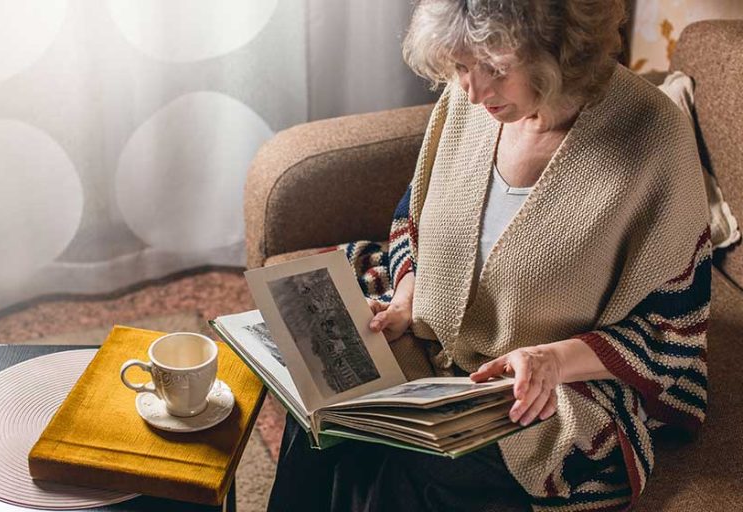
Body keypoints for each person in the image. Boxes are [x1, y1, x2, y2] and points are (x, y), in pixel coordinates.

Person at [268, 1, 711, 510]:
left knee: (422, 468)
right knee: (320, 405)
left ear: (562, 48)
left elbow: (669, 326)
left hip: (549, 388)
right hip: (432, 341)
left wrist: (551, 360)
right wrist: (410, 297)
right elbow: (418, 217)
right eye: (460, 66)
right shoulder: (469, 102)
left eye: (495, 70)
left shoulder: (653, 135)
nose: (473, 91)